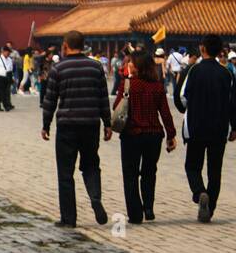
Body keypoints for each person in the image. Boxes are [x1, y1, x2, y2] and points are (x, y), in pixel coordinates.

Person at [41, 29, 112, 227]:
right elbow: (103, 98)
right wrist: (107, 123)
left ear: (65, 45)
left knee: (65, 173)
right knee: (90, 165)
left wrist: (46, 124)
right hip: (90, 124)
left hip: (67, 126)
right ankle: (95, 198)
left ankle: (69, 219)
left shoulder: (58, 69)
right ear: (83, 45)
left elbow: (50, 99)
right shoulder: (96, 67)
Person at [174, 34, 236, 223]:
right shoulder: (226, 73)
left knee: (192, 166)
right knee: (215, 170)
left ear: (202, 48)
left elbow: (181, 97)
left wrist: (185, 109)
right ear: (220, 51)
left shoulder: (193, 71)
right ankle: (209, 209)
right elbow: (232, 103)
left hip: (195, 126)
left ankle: (199, 192)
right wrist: (234, 126)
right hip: (219, 128)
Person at [114, 47, 176, 224]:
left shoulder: (127, 85)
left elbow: (116, 108)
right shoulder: (157, 86)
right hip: (154, 135)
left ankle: (135, 213)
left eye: (131, 62)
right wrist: (171, 135)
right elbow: (165, 113)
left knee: (130, 173)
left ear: (137, 66)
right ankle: (148, 208)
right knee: (149, 172)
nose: (129, 64)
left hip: (131, 135)